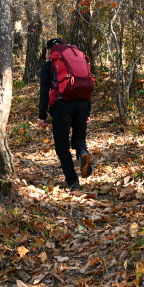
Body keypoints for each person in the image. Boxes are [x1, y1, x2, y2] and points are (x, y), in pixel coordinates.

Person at [37, 38, 93, 190]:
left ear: (49, 51)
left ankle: (73, 182)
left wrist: (42, 115)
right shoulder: (78, 59)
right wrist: (88, 111)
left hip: (61, 105)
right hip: (82, 103)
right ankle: (82, 152)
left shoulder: (48, 65)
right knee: (79, 139)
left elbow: (44, 91)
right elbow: (87, 84)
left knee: (62, 146)